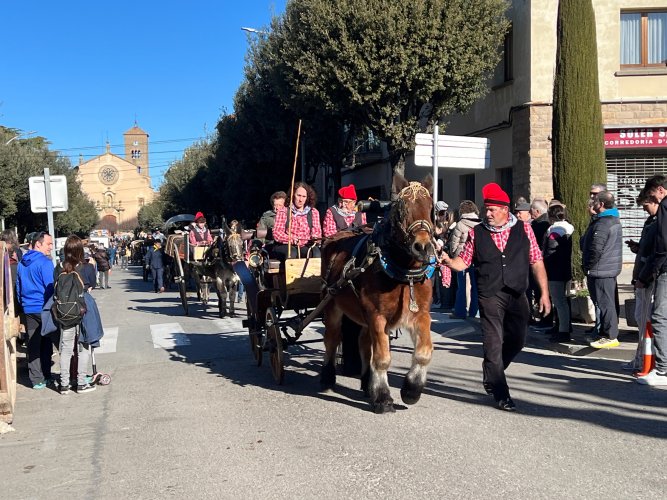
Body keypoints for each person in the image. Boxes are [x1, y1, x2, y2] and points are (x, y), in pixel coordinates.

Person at [441, 183, 550, 412]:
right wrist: (450, 262)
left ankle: (492, 372)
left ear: (505, 209)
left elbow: (536, 261)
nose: (487, 214)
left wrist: (544, 293)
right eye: (486, 210)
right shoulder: (476, 233)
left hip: (517, 293)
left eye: (492, 210)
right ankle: (501, 392)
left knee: (518, 340)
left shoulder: (524, 229)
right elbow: (464, 261)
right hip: (489, 294)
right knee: (492, 343)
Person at [635, 175, 667, 386]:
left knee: (659, 317)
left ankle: (663, 369)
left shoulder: (664, 207)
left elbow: (663, 246)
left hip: (664, 269)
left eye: (651, 194)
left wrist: (646, 275)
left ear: (659, 190)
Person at [581, 191, 622, 349]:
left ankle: (610, 336)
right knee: (605, 302)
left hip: (601, 270)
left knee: (605, 303)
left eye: (595, 201)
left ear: (602, 204)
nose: (592, 204)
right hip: (605, 269)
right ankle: (606, 334)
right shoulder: (609, 220)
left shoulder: (604, 223)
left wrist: (588, 265)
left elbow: (596, 248)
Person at [56, 235, 97, 394]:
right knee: (83, 347)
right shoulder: (85, 267)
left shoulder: (58, 268)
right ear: (80, 250)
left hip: (64, 312)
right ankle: (81, 383)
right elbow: (92, 284)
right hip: (81, 311)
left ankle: (64, 384)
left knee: (66, 348)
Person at [16, 231, 56, 389]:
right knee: (47, 342)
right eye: (48, 244)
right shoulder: (45, 263)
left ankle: (36, 379)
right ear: (38, 244)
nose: (51, 247)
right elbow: (50, 287)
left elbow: (18, 287)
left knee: (33, 343)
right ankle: (47, 375)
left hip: (28, 308)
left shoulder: (21, 263)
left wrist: (23, 304)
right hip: (43, 307)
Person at [627, 190, 658, 372]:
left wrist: (643, 277)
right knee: (640, 318)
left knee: (647, 320)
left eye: (646, 205)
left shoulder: (658, 223)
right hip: (641, 275)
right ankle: (641, 358)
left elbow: (656, 254)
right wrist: (638, 247)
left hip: (647, 279)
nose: (644, 209)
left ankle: (648, 362)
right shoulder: (651, 222)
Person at [543, 203, 574, 342]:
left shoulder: (554, 230)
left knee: (559, 301)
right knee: (563, 300)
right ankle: (563, 326)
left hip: (555, 270)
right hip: (565, 268)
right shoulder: (568, 227)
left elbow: (550, 251)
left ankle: (563, 331)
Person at [447, 200, 481, 319]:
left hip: (461, 257)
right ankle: (474, 312)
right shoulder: (480, 223)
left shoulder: (460, 224)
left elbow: (454, 243)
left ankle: (460, 311)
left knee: (461, 287)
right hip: (476, 258)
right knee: (475, 286)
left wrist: (454, 255)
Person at [273, 182, 322, 260]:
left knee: (315, 252)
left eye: (304, 196)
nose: (300, 199)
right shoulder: (283, 211)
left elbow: (317, 231)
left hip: (305, 245)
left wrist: (315, 238)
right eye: (298, 195)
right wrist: (292, 239)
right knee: (292, 252)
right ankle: (290, 272)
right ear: (293, 195)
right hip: (287, 245)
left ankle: (313, 272)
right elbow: (277, 233)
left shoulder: (313, 212)